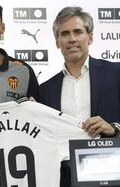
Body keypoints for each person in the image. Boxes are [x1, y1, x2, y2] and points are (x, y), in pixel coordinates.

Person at [39, 6, 120, 187]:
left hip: (110, 172)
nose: (72, 39)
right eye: (65, 34)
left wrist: (115, 128)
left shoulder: (116, 73)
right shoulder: (45, 90)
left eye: (78, 32)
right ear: (57, 42)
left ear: (90, 37)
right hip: (63, 177)